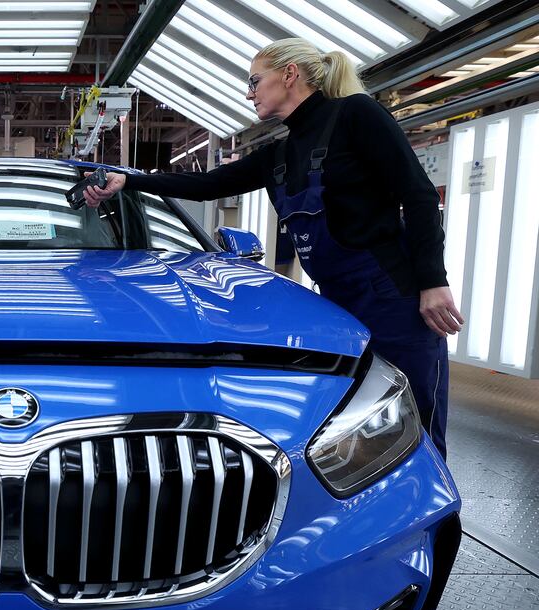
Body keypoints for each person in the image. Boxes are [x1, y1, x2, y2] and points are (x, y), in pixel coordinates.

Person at [83, 38, 463, 459]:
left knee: (415, 421)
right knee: (356, 426)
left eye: (254, 81)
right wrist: (129, 180)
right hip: (335, 304)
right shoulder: (279, 154)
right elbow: (207, 185)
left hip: (394, 295)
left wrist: (433, 281)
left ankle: (433, 501)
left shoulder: (356, 114)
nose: (249, 94)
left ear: (289, 74)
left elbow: (419, 194)